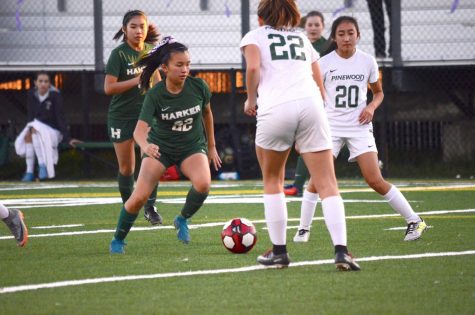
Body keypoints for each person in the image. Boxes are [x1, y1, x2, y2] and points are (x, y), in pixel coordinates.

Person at [241, 0, 360, 271]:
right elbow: (318, 79)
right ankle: (342, 251)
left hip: (276, 108)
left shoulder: (254, 36)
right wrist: (316, 112)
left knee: (273, 179)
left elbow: (252, 69)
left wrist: (250, 100)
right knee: (327, 183)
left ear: (261, 17)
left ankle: (280, 252)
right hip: (311, 106)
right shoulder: (301, 38)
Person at [293, 16, 427, 243]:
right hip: (330, 128)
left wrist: (372, 107)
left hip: (359, 128)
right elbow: (311, 97)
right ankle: (303, 229)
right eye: (341, 34)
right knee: (317, 179)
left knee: (374, 179)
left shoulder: (367, 61)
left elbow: (379, 93)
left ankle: (415, 221)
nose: (346, 38)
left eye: (350, 33)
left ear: (358, 35)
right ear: (334, 37)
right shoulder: (323, 63)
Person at [109, 36, 222, 254]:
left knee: (203, 184)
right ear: (164, 67)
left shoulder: (198, 87)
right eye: (179, 65)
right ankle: (118, 239)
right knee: (139, 197)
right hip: (160, 148)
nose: (185, 69)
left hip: (191, 147)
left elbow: (207, 113)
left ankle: (181, 219)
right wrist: (145, 145)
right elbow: (139, 131)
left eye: (188, 64)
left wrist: (211, 146)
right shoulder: (155, 94)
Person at [104, 10, 163, 225]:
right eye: (133, 26)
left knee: (151, 159)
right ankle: (129, 206)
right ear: (124, 29)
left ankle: (150, 207)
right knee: (127, 168)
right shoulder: (119, 54)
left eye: (142, 26)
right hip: (121, 116)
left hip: (145, 117)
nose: (139, 31)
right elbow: (109, 88)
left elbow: (157, 84)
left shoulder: (151, 52)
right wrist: (137, 80)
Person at [284, 10, 330, 197]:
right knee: (304, 143)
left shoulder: (329, 46)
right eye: (309, 25)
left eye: (316, 24)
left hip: (321, 98)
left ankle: (300, 184)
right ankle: (301, 184)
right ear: (304, 27)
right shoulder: (298, 44)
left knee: (312, 142)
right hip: (302, 97)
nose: (313, 28)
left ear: (323, 26)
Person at [14, 71, 80, 181]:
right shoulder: (31, 94)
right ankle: (30, 172)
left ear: (49, 84)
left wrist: (67, 138)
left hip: (53, 132)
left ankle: (42, 166)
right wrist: (31, 128)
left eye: (46, 81)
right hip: (35, 128)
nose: (43, 84)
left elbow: (60, 117)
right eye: (40, 81)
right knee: (30, 134)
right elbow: (31, 116)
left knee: (34, 129)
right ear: (35, 83)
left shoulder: (55, 95)